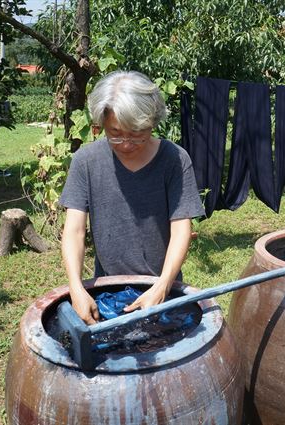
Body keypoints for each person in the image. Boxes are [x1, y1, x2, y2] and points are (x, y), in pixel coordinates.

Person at [60, 70, 204, 324]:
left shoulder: (174, 160)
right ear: (102, 124)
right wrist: (76, 288)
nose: (126, 144)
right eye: (115, 133)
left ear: (152, 122)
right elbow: (74, 231)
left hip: (162, 285)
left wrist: (161, 287)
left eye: (137, 133)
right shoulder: (86, 161)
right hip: (107, 286)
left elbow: (181, 229)